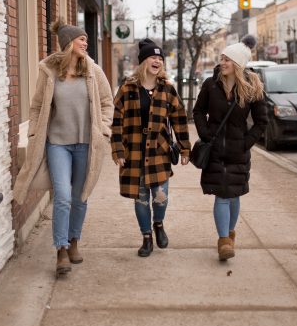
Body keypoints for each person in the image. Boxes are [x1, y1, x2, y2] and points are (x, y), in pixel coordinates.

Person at [13, 21, 113, 277]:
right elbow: (36, 106)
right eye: (81, 40)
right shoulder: (49, 73)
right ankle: (61, 249)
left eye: (86, 40)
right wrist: (34, 131)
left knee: (80, 196)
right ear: (69, 43)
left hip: (86, 144)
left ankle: (74, 239)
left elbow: (106, 102)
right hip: (57, 143)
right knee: (62, 195)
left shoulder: (92, 71)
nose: (85, 43)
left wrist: (103, 128)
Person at [111, 39, 191, 257]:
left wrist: (185, 149)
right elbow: (116, 121)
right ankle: (146, 236)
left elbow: (180, 120)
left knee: (160, 196)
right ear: (143, 61)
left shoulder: (168, 89)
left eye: (160, 58)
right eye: (152, 57)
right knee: (141, 197)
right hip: (134, 151)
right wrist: (117, 150)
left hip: (159, 152)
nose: (157, 61)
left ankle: (158, 223)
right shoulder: (127, 89)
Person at [193, 35, 268, 261]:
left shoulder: (252, 87)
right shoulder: (210, 84)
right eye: (222, 58)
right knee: (222, 195)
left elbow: (262, 121)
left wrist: (246, 142)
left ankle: (229, 235)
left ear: (237, 64)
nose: (222, 63)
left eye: (227, 59)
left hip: (238, 152)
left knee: (234, 195)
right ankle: (224, 240)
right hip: (215, 150)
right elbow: (198, 111)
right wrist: (206, 134)